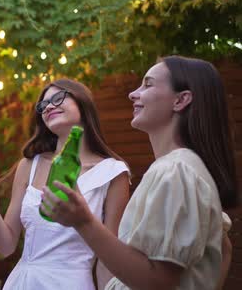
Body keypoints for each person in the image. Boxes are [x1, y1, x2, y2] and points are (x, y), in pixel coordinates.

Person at [42, 56, 239, 289]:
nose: (132, 94)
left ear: (181, 100)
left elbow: (157, 282)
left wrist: (83, 221)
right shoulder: (182, 169)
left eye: (148, 84)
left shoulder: (176, 171)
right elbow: (224, 250)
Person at [0, 79, 130, 289]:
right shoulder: (29, 166)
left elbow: (108, 259)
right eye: (43, 105)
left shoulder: (113, 173)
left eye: (58, 98)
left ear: (82, 102)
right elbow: (6, 246)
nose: (48, 106)